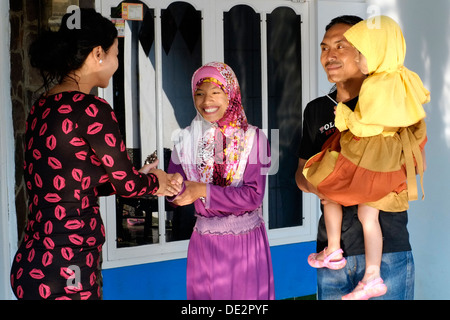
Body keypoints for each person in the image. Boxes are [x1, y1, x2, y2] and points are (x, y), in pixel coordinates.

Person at [10, 8, 182, 300]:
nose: (117, 62)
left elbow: (75, 184)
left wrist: (138, 176)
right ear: (98, 53)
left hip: (32, 265)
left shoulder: (42, 106)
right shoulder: (92, 110)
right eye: (116, 53)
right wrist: (159, 183)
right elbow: (128, 189)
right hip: (68, 268)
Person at [302, 16, 429, 300]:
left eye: (342, 46)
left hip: (388, 254)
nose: (329, 56)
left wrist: (342, 181)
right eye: (324, 48)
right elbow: (301, 175)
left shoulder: (393, 100)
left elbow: (405, 161)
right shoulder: (316, 110)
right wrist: (327, 185)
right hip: (334, 255)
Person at [167, 62, 274, 300]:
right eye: (200, 93)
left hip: (243, 243)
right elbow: (176, 197)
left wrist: (202, 190)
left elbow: (253, 196)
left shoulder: (253, 139)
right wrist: (169, 186)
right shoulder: (185, 140)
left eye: (216, 92)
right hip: (203, 243)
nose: (207, 101)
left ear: (231, 94)